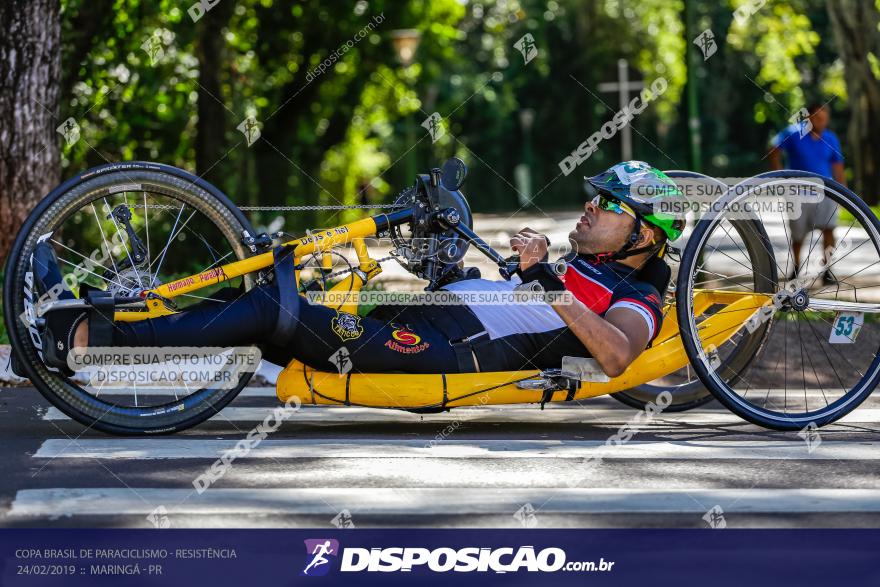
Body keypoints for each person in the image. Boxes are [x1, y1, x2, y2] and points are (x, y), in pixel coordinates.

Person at [32, 161, 684, 378]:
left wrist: (545, 281)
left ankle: (85, 339)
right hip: (427, 315)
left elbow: (619, 354)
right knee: (267, 294)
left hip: (439, 351)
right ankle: (93, 310)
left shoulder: (637, 290)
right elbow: (515, 295)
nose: (589, 209)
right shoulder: (586, 264)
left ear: (644, 234)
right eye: (593, 200)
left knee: (274, 312)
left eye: (607, 206)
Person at [768, 103, 846, 284]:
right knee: (798, 235)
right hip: (798, 193)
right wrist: (780, 178)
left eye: (825, 118)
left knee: (829, 230)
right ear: (808, 117)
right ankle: (795, 269)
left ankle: (827, 270)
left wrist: (843, 193)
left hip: (826, 191)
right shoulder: (793, 133)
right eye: (818, 117)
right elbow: (772, 150)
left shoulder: (830, 138)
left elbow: (838, 167)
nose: (822, 122)